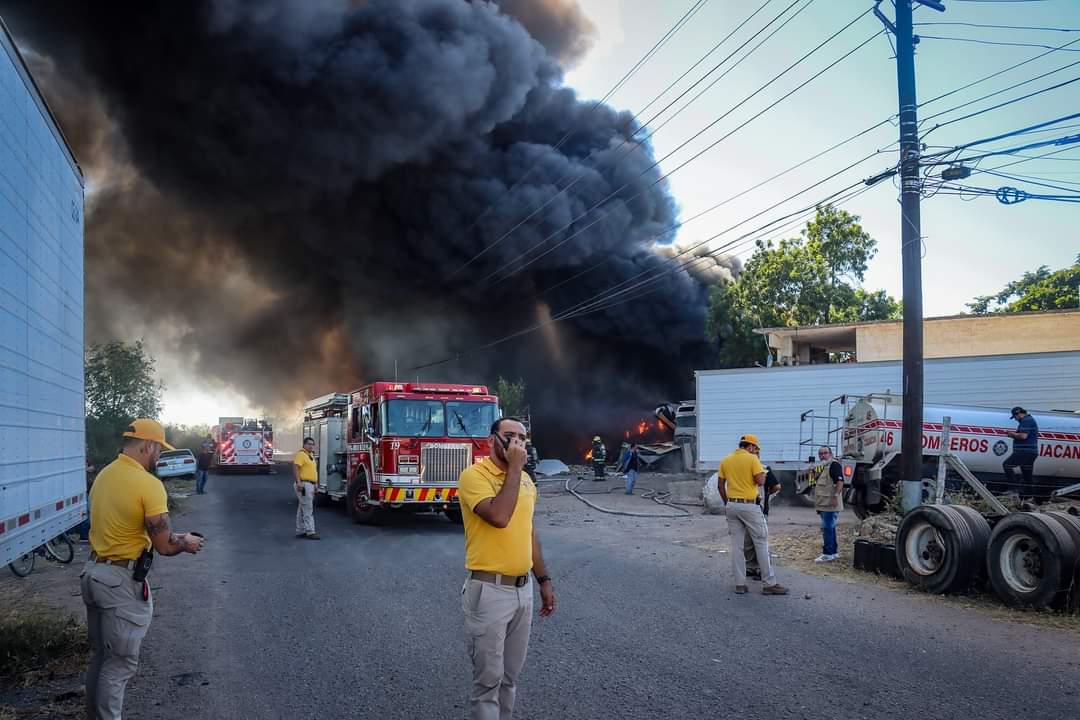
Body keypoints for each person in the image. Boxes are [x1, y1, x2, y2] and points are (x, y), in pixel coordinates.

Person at [82, 418, 205, 719]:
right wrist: (186, 542)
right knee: (120, 663)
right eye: (159, 450)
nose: (159, 456)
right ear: (148, 445)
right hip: (119, 583)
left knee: (102, 657)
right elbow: (164, 545)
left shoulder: (105, 475)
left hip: (93, 574)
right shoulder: (148, 485)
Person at [457, 418, 557, 720]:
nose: (516, 443)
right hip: (488, 591)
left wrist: (544, 580)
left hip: (522, 590)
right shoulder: (474, 476)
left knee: (510, 679)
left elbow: (528, 531)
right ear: (492, 441)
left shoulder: (526, 481)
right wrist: (515, 468)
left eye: (522, 438)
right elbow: (499, 516)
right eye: (509, 436)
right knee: (488, 681)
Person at [719, 434, 788, 596]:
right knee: (761, 542)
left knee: (737, 546)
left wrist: (727, 503)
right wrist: (761, 472)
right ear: (750, 447)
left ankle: (739, 584)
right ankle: (769, 583)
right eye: (755, 448)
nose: (756, 451)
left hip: (732, 505)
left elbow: (720, 485)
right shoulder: (752, 459)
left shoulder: (726, 460)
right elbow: (761, 481)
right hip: (749, 506)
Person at [744, 465, 780, 580]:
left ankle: (762, 570)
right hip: (747, 510)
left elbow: (777, 486)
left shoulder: (764, 468)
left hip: (760, 510)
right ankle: (751, 567)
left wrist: (767, 496)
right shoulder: (744, 468)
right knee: (748, 541)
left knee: (760, 541)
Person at [811, 446, 845, 563]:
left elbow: (840, 481)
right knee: (830, 527)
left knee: (827, 528)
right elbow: (814, 482)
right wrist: (816, 473)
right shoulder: (822, 467)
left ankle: (827, 553)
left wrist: (836, 496)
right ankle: (834, 552)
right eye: (820, 454)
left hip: (830, 503)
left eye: (825, 453)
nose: (823, 455)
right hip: (824, 503)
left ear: (831, 454)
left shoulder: (834, 465)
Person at [1003, 406, 1039, 497]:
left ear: (1018, 414)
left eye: (1015, 417)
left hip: (1024, 451)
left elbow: (1023, 436)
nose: (1015, 419)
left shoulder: (1026, 421)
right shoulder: (1030, 420)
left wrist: (1011, 434)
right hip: (1031, 452)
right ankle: (1029, 496)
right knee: (1027, 475)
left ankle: (1013, 489)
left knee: (1007, 465)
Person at [293, 437, 320, 539]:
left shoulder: (310, 456)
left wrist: (316, 484)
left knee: (302, 508)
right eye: (309, 444)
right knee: (308, 508)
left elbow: (313, 472)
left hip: (310, 484)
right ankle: (310, 531)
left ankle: (300, 530)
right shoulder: (301, 455)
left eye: (312, 444)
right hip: (304, 485)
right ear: (304, 445)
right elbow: (296, 468)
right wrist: (299, 482)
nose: (311, 446)